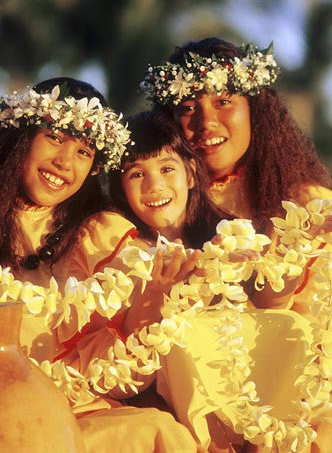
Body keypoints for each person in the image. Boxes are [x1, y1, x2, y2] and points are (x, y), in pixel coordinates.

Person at [140, 38, 332, 451]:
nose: (206, 123)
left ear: (256, 110)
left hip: (302, 394)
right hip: (184, 405)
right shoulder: (158, 200)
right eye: (188, 108)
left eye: (224, 102)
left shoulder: (309, 203)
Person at [0, 77, 200, 453]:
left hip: (75, 414)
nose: (64, 162)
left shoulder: (102, 237)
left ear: (95, 168)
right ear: (24, 135)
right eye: (55, 138)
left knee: (157, 429)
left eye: (84, 152)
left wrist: (152, 304)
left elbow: (121, 378)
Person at [108, 111, 327, 453]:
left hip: (241, 374)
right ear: (120, 189)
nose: (155, 186)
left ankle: (268, 439)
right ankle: (213, 444)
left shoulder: (225, 231)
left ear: (191, 175)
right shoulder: (127, 249)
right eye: (137, 174)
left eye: (167, 169)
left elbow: (271, 300)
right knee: (184, 336)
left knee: (292, 326)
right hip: (164, 378)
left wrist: (294, 256)